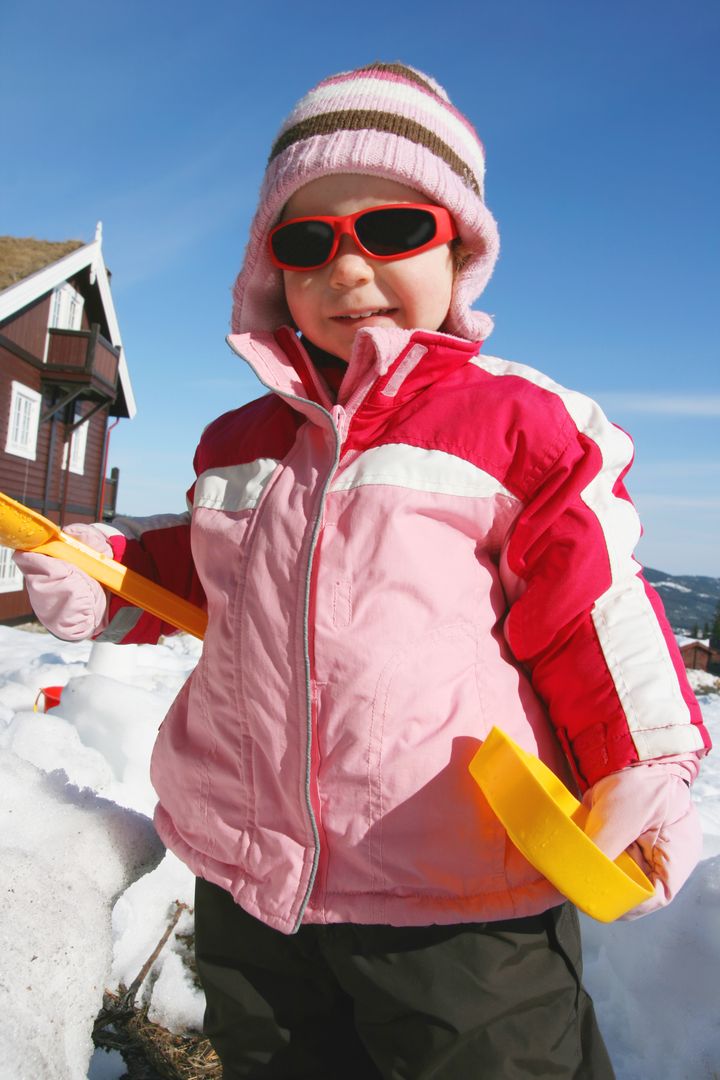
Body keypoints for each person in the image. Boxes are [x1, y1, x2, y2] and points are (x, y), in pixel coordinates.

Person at [16, 62, 711, 1079]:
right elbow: (203, 578)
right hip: (250, 875)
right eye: (308, 243)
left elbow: (589, 609)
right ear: (273, 269)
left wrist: (642, 761)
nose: (348, 272)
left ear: (461, 245)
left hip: (454, 891)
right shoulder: (237, 441)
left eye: (389, 232)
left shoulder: (519, 425)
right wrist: (106, 569)